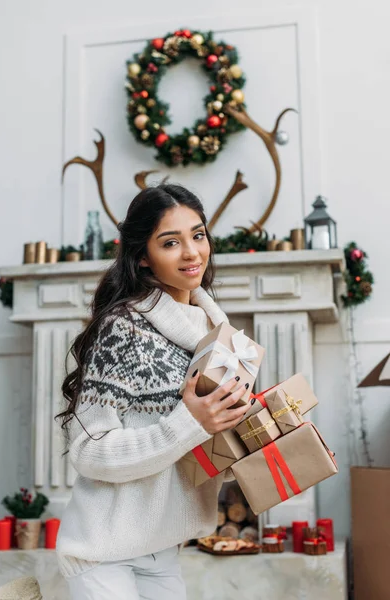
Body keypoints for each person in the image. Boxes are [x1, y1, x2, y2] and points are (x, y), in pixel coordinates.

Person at [55, 184, 252, 600]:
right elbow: (89, 452)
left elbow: (198, 454)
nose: (191, 253)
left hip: (162, 550)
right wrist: (191, 421)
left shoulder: (216, 334)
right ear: (142, 256)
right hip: (102, 556)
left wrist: (252, 430)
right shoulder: (124, 328)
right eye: (170, 242)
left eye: (198, 235)